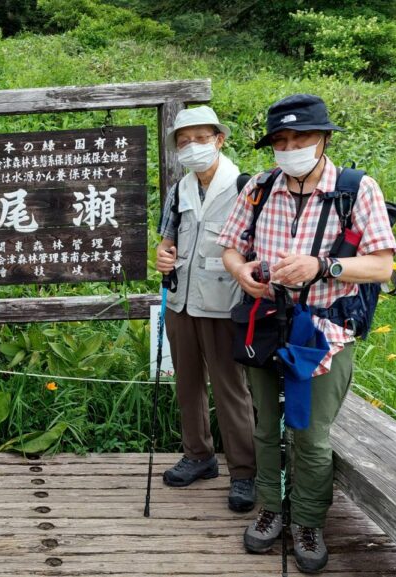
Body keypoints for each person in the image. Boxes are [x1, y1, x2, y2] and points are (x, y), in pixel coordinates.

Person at [218, 94, 396, 573]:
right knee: (263, 426)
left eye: (301, 138)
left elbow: (381, 266)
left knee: (310, 433)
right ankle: (270, 510)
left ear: (323, 140)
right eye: (281, 140)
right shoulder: (258, 187)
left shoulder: (357, 190)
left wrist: (323, 265)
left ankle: (309, 520)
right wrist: (241, 272)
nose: (291, 147)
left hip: (324, 331)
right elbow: (232, 249)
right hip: (263, 322)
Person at [156, 106, 256, 512]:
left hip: (225, 304)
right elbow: (166, 240)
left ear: (219, 139)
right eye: (184, 141)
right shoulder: (179, 190)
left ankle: (245, 473)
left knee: (231, 389)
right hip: (181, 300)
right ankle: (198, 456)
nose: (192, 147)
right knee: (187, 384)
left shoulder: (248, 187)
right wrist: (162, 256)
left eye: (200, 138)